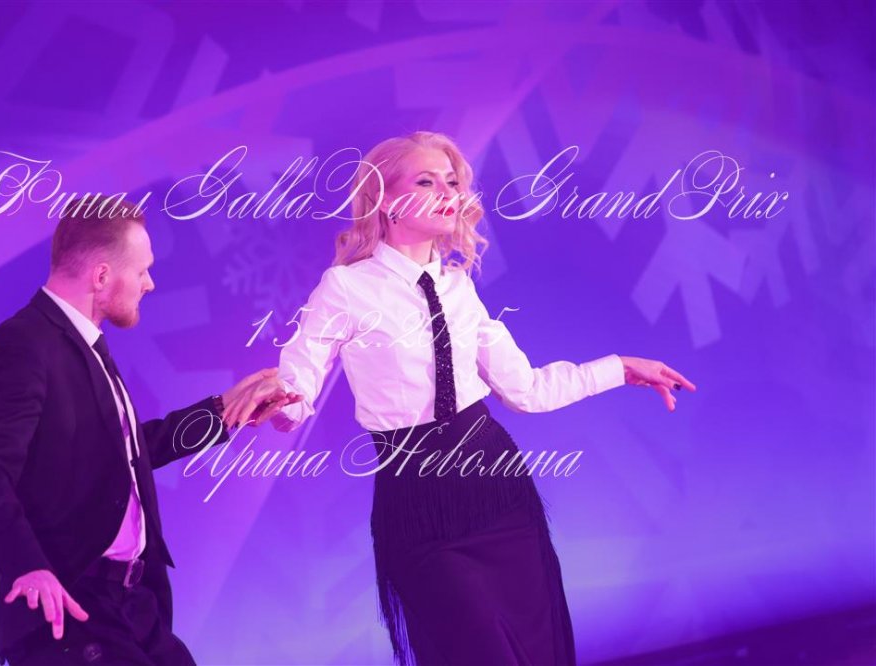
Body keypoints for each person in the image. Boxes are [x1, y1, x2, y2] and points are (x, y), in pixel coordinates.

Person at [224, 131, 696, 665]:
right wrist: (279, 402)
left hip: (498, 492)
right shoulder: (346, 288)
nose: (448, 193)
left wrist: (620, 368)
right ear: (386, 199)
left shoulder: (459, 288)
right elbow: (299, 386)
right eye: (426, 181)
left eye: (452, 182)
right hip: (418, 501)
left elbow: (527, 391)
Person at [0, 198, 300, 665]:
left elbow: (129, 450)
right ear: (101, 276)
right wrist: (27, 567)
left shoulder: (84, 345)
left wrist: (224, 412)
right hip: (70, 606)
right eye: (142, 271)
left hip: (131, 607)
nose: (149, 283)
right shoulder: (23, 343)